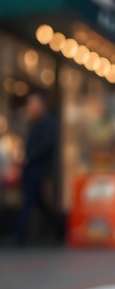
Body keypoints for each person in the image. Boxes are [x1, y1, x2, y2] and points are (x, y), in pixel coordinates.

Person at [16, 91, 64, 245]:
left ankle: (20, 237)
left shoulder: (49, 124)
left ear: (42, 106)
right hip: (31, 170)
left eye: (32, 104)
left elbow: (47, 145)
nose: (30, 108)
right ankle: (59, 228)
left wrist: (29, 156)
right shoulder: (33, 123)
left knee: (31, 202)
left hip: (41, 171)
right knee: (37, 203)